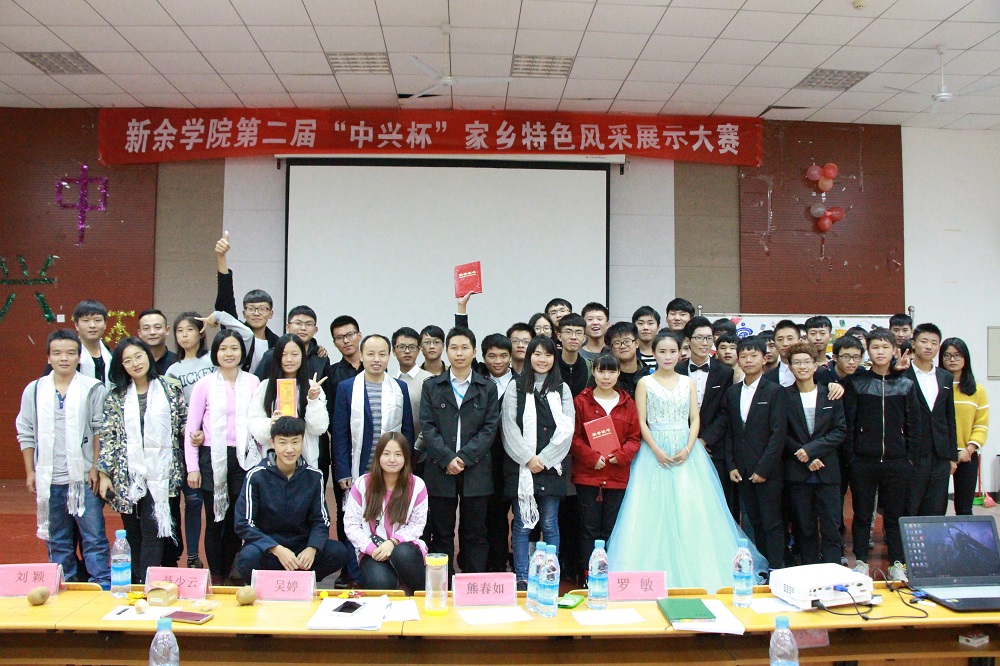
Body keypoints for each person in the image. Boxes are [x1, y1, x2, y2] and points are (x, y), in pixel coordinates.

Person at [608, 332, 765, 590]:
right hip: (653, 453)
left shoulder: (687, 382)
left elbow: (695, 418)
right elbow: (641, 421)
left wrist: (690, 447)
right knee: (649, 511)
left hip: (687, 452)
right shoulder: (645, 383)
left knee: (692, 509)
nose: (667, 357)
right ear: (653, 354)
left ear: (681, 352)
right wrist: (656, 450)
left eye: (672, 351)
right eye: (662, 352)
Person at [17, 329, 111, 588]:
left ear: (79, 357)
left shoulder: (93, 388)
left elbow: (100, 430)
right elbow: (25, 431)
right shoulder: (34, 390)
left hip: (84, 478)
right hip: (50, 480)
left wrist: (96, 467)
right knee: (57, 540)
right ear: (48, 358)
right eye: (57, 353)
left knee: (94, 538)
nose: (64, 358)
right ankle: (64, 586)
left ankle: (102, 586)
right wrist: (31, 471)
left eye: (70, 353)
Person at [97, 337, 186, 583]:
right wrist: (104, 474)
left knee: (152, 529)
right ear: (121, 366)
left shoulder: (169, 389)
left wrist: (196, 435)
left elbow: (184, 423)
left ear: (148, 356)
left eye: (139, 356)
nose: (135, 363)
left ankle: (148, 583)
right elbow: (108, 437)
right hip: (128, 475)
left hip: (162, 472)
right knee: (132, 532)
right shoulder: (116, 397)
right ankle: (136, 581)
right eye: (128, 360)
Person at [419, 326, 500, 574]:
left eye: (465, 348)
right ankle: (444, 581)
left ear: (474, 352)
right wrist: (447, 458)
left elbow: (490, 428)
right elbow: (427, 426)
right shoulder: (432, 386)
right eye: (453, 348)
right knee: (441, 531)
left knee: (475, 531)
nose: (459, 353)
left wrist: (463, 458)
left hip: (476, 469)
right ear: (446, 351)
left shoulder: (487, 387)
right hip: (440, 468)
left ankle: (471, 580)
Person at [843, 328, 921, 581]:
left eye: (885, 347)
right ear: (868, 351)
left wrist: (910, 457)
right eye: (875, 347)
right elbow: (849, 423)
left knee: (895, 515)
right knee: (862, 514)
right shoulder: (858, 383)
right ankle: (861, 561)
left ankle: (897, 562)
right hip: (863, 461)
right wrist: (852, 456)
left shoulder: (906, 384)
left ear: (894, 351)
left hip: (897, 461)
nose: (880, 352)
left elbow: (914, 424)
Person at [185, 330, 260, 585]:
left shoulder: (253, 382)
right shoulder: (204, 384)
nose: (229, 353)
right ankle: (216, 575)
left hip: (244, 458)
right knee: (215, 520)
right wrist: (192, 467)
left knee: (236, 520)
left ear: (242, 352)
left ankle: (228, 571)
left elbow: (258, 423)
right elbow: (191, 428)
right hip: (212, 457)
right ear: (215, 353)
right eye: (223, 348)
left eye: (234, 348)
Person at [235, 417, 348, 582]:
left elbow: (321, 521)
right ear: (272, 443)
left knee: (338, 552)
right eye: (282, 442)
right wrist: (276, 548)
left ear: (302, 442)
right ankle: (273, 583)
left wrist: (312, 548)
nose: (289, 449)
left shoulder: (314, 476)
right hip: (268, 548)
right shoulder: (256, 476)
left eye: (295, 442)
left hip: (300, 547)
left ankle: (299, 581)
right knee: (248, 558)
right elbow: (243, 523)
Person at [501, 336, 575, 588]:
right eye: (537, 354)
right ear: (529, 356)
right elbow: (509, 427)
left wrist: (543, 459)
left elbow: (567, 430)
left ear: (555, 358)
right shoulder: (515, 386)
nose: (542, 359)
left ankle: (550, 574)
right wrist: (528, 458)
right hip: (521, 468)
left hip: (551, 468)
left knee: (550, 524)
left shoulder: (562, 389)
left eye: (548, 355)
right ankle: (522, 576)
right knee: (522, 525)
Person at [721, 335, 788, 569]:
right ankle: (758, 566)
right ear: (738, 360)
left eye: (754, 355)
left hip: (768, 471)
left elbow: (778, 434)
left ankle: (775, 567)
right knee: (752, 521)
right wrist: (731, 465)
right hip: (742, 470)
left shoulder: (775, 391)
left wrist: (763, 469)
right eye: (744, 356)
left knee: (772, 522)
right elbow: (730, 432)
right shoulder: (732, 393)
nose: (748, 360)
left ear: (764, 358)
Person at [571, 354, 640, 574]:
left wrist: (621, 455)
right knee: (588, 529)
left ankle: (610, 574)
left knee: (611, 529)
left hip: (617, 477)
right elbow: (573, 437)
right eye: (601, 371)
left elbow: (634, 438)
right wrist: (591, 458)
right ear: (594, 372)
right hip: (588, 477)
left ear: (619, 373)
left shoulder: (628, 403)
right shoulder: (581, 401)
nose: (606, 376)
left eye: (611, 371)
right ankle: (589, 575)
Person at [783, 342, 845, 565]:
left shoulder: (830, 394)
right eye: (797, 362)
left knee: (831, 527)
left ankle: (833, 570)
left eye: (806, 362)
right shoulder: (783, 396)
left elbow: (840, 431)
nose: (802, 366)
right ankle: (809, 570)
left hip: (827, 470)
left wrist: (811, 451)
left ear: (815, 365)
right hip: (798, 472)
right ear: (790, 367)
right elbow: (780, 433)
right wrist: (802, 455)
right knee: (804, 528)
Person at [344, 432, 427, 593]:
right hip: (373, 551)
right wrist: (371, 549)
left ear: (406, 458)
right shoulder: (362, 484)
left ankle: (421, 595)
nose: (392, 459)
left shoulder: (417, 485)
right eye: (386, 454)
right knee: (381, 583)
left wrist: (393, 542)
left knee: (401, 553)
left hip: (405, 548)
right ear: (378, 456)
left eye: (398, 454)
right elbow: (351, 525)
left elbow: (417, 525)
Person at [163, 311, 214, 570]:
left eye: (190, 330)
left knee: (212, 503)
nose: (184, 335)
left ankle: (218, 556)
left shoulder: (212, 361)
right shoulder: (173, 370)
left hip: (211, 441)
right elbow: (174, 408)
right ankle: (192, 555)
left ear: (201, 333)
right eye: (180, 331)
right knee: (191, 501)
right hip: (187, 443)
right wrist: (190, 431)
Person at [333, 334, 414, 488]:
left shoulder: (400, 388)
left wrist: (407, 466)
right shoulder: (346, 388)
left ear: (389, 356)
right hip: (358, 466)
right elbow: (340, 434)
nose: (376, 359)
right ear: (361, 356)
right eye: (370, 354)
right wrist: (343, 471)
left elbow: (407, 432)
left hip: (392, 467)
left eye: (382, 354)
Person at [679, 317, 737, 521]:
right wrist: (689, 442)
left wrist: (704, 441)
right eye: (699, 338)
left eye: (709, 338)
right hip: (682, 447)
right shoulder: (676, 370)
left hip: (715, 448)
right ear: (688, 340)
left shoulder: (726, 372)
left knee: (718, 504)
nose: (705, 343)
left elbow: (726, 412)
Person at [248, 335, 328, 468]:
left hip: (305, 460)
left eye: (295, 354)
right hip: (272, 460)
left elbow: (319, 428)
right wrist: (270, 424)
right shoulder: (265, 387)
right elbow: (253, 422)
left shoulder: (312, 386)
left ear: (302, 356)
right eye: (283, 355)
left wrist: (313, 400)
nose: (289, 359)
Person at [904, 323, 957, 518]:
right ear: (913, 343)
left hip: (940, 453)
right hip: (912, 453)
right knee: (910, 505)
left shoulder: (945, 377)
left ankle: (934, 539)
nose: (929, 346)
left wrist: (952, 456)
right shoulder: (902, 374)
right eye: (924, 341)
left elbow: (949, 417)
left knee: (936, 507)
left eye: (934, 343)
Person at [478, 332, 518, 572]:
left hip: (513, 460)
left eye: (503, 356)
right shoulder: (477, 380)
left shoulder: (521, 382)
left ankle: (501, 564)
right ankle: (485, 565)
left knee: (508, 516)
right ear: (483, 357)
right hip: (482, 459)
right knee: (485, 516)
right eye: (492, 356)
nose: (498, 361)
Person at [214, 231, 278, 374]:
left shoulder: (277, 343)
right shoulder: (235, 333)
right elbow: (225, 301)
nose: (256, 313)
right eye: (251, 309)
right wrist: (221, 257)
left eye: (262, 309)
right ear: (244, 313)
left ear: (270, 313)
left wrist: (316, 348)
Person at [939, 338, 989, 516]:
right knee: (936, 507)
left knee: (964, 508)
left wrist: (969, 449)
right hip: (940, 455)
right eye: (947, 355)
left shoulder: (976, 390)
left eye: (957, 355)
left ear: (965, 358)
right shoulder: (936, 386)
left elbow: (981, 424)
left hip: (967, 454)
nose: (952, 359)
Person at [599, 322, 650, 397]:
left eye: (627, 341)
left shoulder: (648, 375)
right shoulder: (604, 376)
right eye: (617, 343)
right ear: (611, 348)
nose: (622, 346)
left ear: (637, 343)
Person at [72, 300, 113, 387]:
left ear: (105, 324)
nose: (92, 325)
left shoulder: (112, 356)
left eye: (98, 320)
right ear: (76, 325)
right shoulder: (69, 356)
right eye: (86, 320)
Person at [555, 313, 591, 397]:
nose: (573, 337)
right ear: (559, 336)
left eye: (578, 333)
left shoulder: (590, 367)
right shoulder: (550, 364)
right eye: (568, 332)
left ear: (584, 338)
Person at [137, 309, 177, 376]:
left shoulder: (178, 362)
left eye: (157, 327)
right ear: (139, 333)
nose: (152, 332)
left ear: (167, 330)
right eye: (146, 328)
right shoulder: (135, 364)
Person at [764, 319, 799, 387]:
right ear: (775, 344)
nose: (785, 343)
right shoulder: (767, 378)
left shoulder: (814, 372)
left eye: (790, 339)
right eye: (780, 339)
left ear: (799, 341)